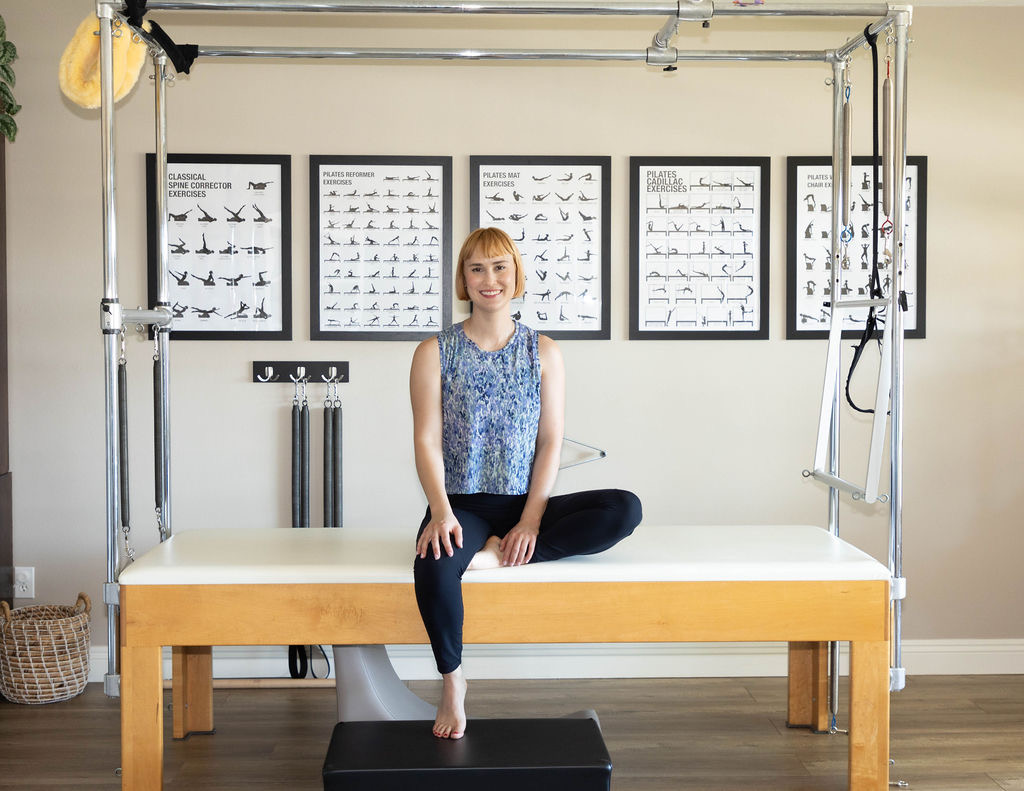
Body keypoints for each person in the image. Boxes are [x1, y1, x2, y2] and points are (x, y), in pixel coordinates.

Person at [410, 227, 642, 740]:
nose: (489, 279)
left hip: (524, 502)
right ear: (463, 280)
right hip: (462, 505)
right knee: (433, 564)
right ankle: (452, 680)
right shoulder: (434, 351)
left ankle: (494, 556)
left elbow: (551, 441)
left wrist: (532, 519)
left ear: (516, 276)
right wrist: (442, 512)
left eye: (500, 267)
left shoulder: (544, 352)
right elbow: (426, 440)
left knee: (624, 508)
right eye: (477, 269)